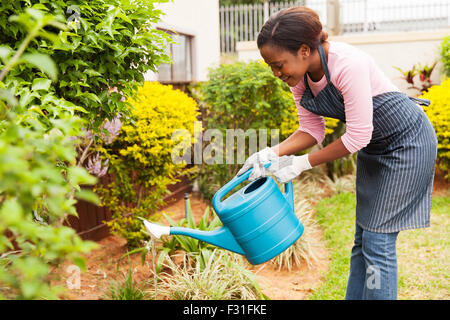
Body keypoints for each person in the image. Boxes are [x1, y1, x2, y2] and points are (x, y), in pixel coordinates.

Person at [237, 6, 437, 300]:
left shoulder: (347, 64)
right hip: (374, 146)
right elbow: (311, 130)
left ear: (304, 50)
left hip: (408, 142)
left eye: (279, 64)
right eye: (271, 66)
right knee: (363, 240)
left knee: (378, 241)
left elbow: (357, 135)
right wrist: (269, 153)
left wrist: (301, 163)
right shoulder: (300, 79)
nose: (276, 73)